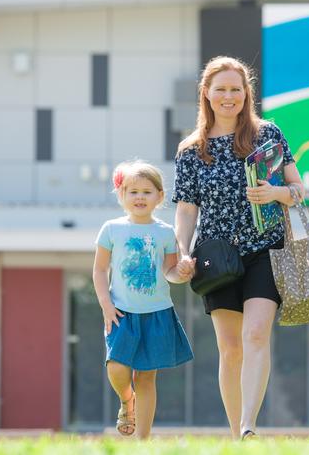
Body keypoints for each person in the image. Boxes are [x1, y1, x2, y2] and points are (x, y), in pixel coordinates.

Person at [173, 56, 304, 440]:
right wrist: (183, 251)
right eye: (221, 90)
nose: (229, 97)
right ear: (207, 95)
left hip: (266, 247)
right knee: (230, 349)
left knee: (257, 334)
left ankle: (249, 425)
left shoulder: (268, 135)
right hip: (215, 257)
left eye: (236, 89)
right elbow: (185, 209)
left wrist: (276, 192)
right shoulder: (191, 150)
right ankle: (236, 435)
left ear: (247, 93)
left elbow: (299, 190)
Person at [93, 160, 194, 439]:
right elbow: (100, 269)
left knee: (146, 376)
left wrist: (182, 273)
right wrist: (106, 303)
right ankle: (127, 400)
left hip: (157, 313)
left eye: (147, 192)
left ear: (160, 197)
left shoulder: (165, 233)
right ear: (122, 195)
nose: (139, 197)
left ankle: (144, 440)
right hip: (120, 312)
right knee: (116, 365)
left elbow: (170, 271)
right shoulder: (111, 229)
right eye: (133, 191)